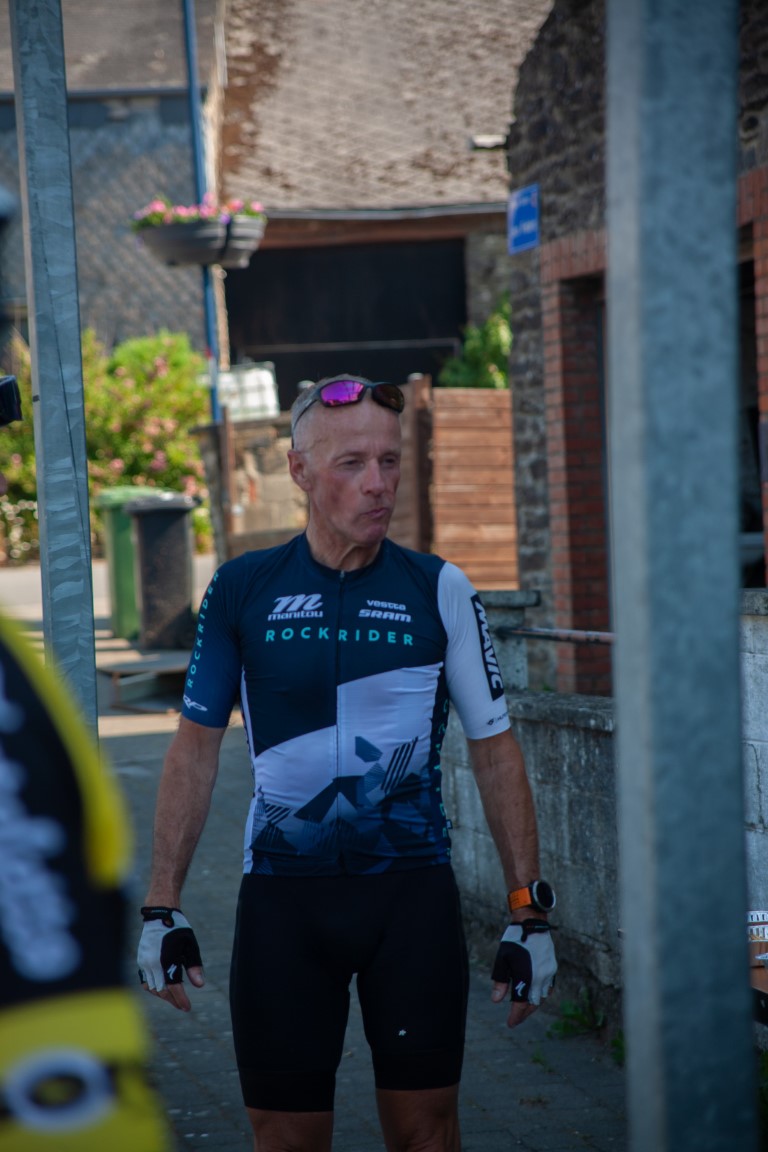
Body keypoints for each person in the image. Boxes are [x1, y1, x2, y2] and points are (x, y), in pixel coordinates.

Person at [138, 374, 557, 1152]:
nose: (378, 484)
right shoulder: (242, 589)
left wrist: (528, 911)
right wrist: (163, 905)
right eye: (353, 464)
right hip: (282, 905)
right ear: (299, 471)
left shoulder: (440, 588)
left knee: (426, 1135)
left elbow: (495, 751)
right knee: (285, 1140)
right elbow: (195, 749)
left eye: (390, 461)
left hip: (411, 901)